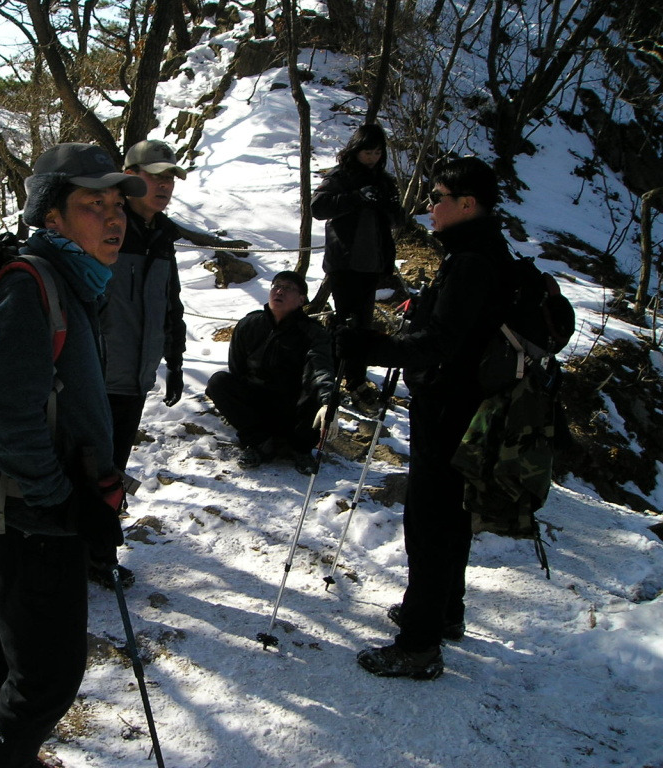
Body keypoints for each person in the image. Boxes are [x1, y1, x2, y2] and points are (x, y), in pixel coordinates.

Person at [0, 143, 147, 767]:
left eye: (117, 203)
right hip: (25, 517)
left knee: (11, 647)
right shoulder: (30, 287)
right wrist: (66, 503)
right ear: (52, 217)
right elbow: (11, 418)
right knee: (49, 676)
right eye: (92, 204)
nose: (113, 217)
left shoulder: (75, 281)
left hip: (40, 510)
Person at [335, 156, 512, 680]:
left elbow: (441, 345)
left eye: (438, 197)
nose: (429, 206)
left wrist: (376, 346)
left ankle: (418, 644)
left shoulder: (474, 261)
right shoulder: (483, 253)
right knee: (450, 519)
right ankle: (441, 613)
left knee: (430, 521)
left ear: (468, 204)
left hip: (451, 407)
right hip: (468, 405)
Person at [91, 139, 188, 588]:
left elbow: (172, 304)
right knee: (91, 468)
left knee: (111, 468)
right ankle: (91, 553)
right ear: (129, 177)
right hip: (93, 375)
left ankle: (98, 552)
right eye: (155, 176)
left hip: (134, 377)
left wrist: (176, 361)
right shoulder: (104, 229)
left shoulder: (163, 235)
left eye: (169, 177)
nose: (164, 184)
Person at [311, 123, 405, 411]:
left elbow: (399, 220)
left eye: (377, 152)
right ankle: (334, 377)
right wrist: (356, 198)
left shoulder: (384, 180)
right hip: (345, 262)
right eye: (368, 152)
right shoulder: (341, 176)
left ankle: (354, 378)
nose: (373, 157)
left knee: (361, 324)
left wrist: (388, 205)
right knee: (345, 323)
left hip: (372, 263)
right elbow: (318, 207)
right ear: (356, 150)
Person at [206, 271, 337, 474]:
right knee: (219, 382)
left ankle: (300, 449)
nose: (279, 291)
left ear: (302, 299)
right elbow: (237, 367)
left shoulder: (314, 333)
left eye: (287, 288)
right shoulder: (249, 324)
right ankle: (259, 443)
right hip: (258, 403)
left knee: (315, 393)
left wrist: (328, 401)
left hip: (293, 408)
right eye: (276, 286)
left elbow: (319, 369)